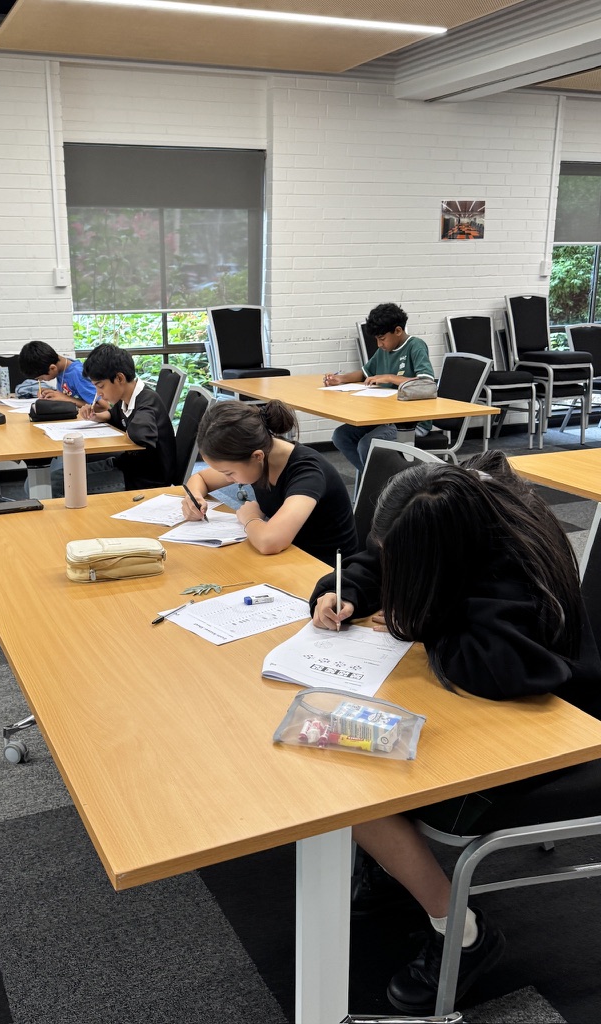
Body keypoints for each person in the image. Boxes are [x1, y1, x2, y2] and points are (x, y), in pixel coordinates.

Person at [309, 451, 601, 1014]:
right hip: (491, 707)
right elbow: (380, 560)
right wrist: (347, 592)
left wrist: (414, 621)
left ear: (439, 550)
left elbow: (500, 671)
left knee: (349, 776)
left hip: (544, 726)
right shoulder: (452, 512)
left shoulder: (515, 566)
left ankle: (462, 932)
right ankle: (393, 866)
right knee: (343, 735)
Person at [181, 399, 358, 567]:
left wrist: (250, 517)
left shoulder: (307, 473)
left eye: (229, 473)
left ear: (257, 456)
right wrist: (195, 498)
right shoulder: (259, 457)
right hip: (288, 556)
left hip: (327, 573)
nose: (227, 479)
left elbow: (270, 541)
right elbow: (200, 478)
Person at [323, 303, 435, 473]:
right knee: (341, 436)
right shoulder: (384, 350)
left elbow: (426, 383)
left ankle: (381, 483)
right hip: (386, 418)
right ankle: (375, 479)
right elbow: (364, 373)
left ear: (398, 331)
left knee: (367, 445)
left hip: (411, 422)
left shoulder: (416, 346)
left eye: (382, 338)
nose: (379, 344)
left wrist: (390, 377)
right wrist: (340, 379)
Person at [78, 343, 176, 492]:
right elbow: (114, 415)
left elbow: (140, 435)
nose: (98, 393)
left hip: (145, 480)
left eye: (100, 386)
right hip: (126, 465)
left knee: (64, 487)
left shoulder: (147, 401)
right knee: (59, 476)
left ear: (119, 378)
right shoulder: (126, 397)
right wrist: (96, 416)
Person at [18, 340, 97, 408]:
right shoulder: (61, 371)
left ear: (52, 368)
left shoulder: (78, 374)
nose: (41, 380)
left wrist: (65, 398)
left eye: (41, 378)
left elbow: (102, 406)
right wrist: (52, 392)